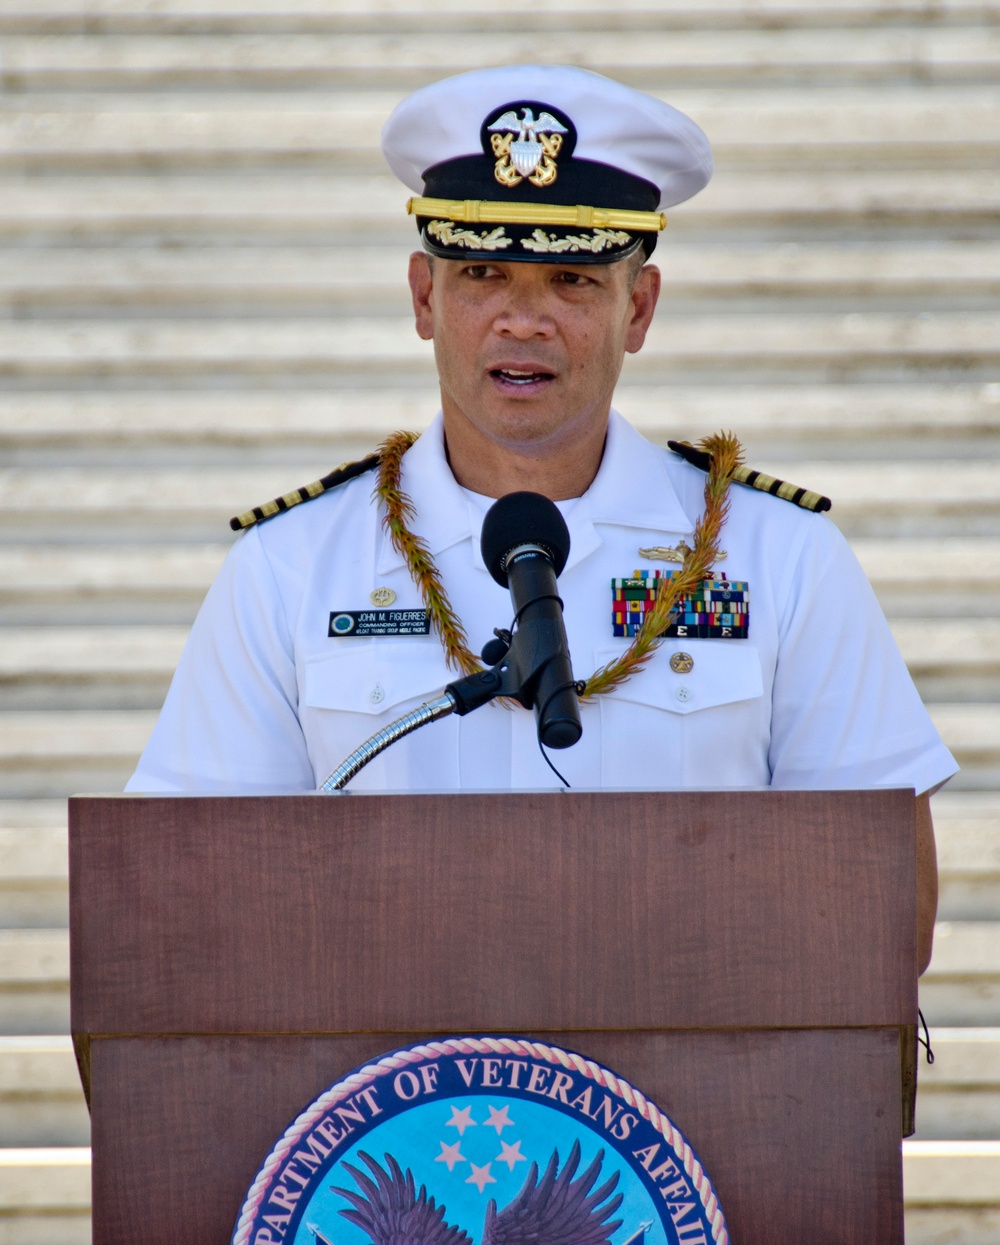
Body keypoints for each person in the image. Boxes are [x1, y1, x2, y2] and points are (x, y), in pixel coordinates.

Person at [125, 64, 955, 971]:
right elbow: (185, 897)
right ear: (423, 298)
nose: (523, 321)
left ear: (638, 308)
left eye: (571, 279)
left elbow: (875, 899)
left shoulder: (781, 560)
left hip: (692, 1107)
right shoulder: (290, 568)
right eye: (482, 272)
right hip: (397, 1109)